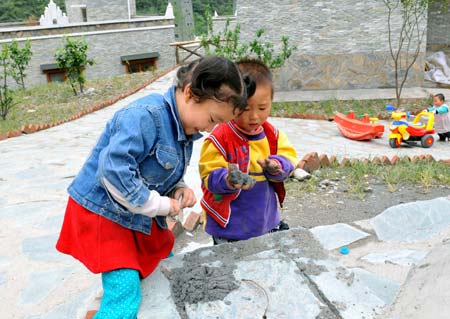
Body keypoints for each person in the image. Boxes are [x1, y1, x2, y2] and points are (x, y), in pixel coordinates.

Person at [55, 56, 247, 319]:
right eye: (212, 119)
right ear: (191, 93)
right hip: (105, 213)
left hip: (134, 212)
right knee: (125, 295)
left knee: (162, 262)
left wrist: (177, 188)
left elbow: (157, 169)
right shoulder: (145, 116)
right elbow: (113, 171)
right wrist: (161, 205)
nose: (210, 129)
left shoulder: (186, 126)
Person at [199, 59, 298, 245]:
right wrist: (228, 179)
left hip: (264, 219)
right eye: (245, 109)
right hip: (229, 226)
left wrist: (277, 166)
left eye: (262, 108)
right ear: (231, 103)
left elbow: (289, 159)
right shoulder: (220, 138)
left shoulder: (272, 136)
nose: (254, 116)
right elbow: (208, 174)